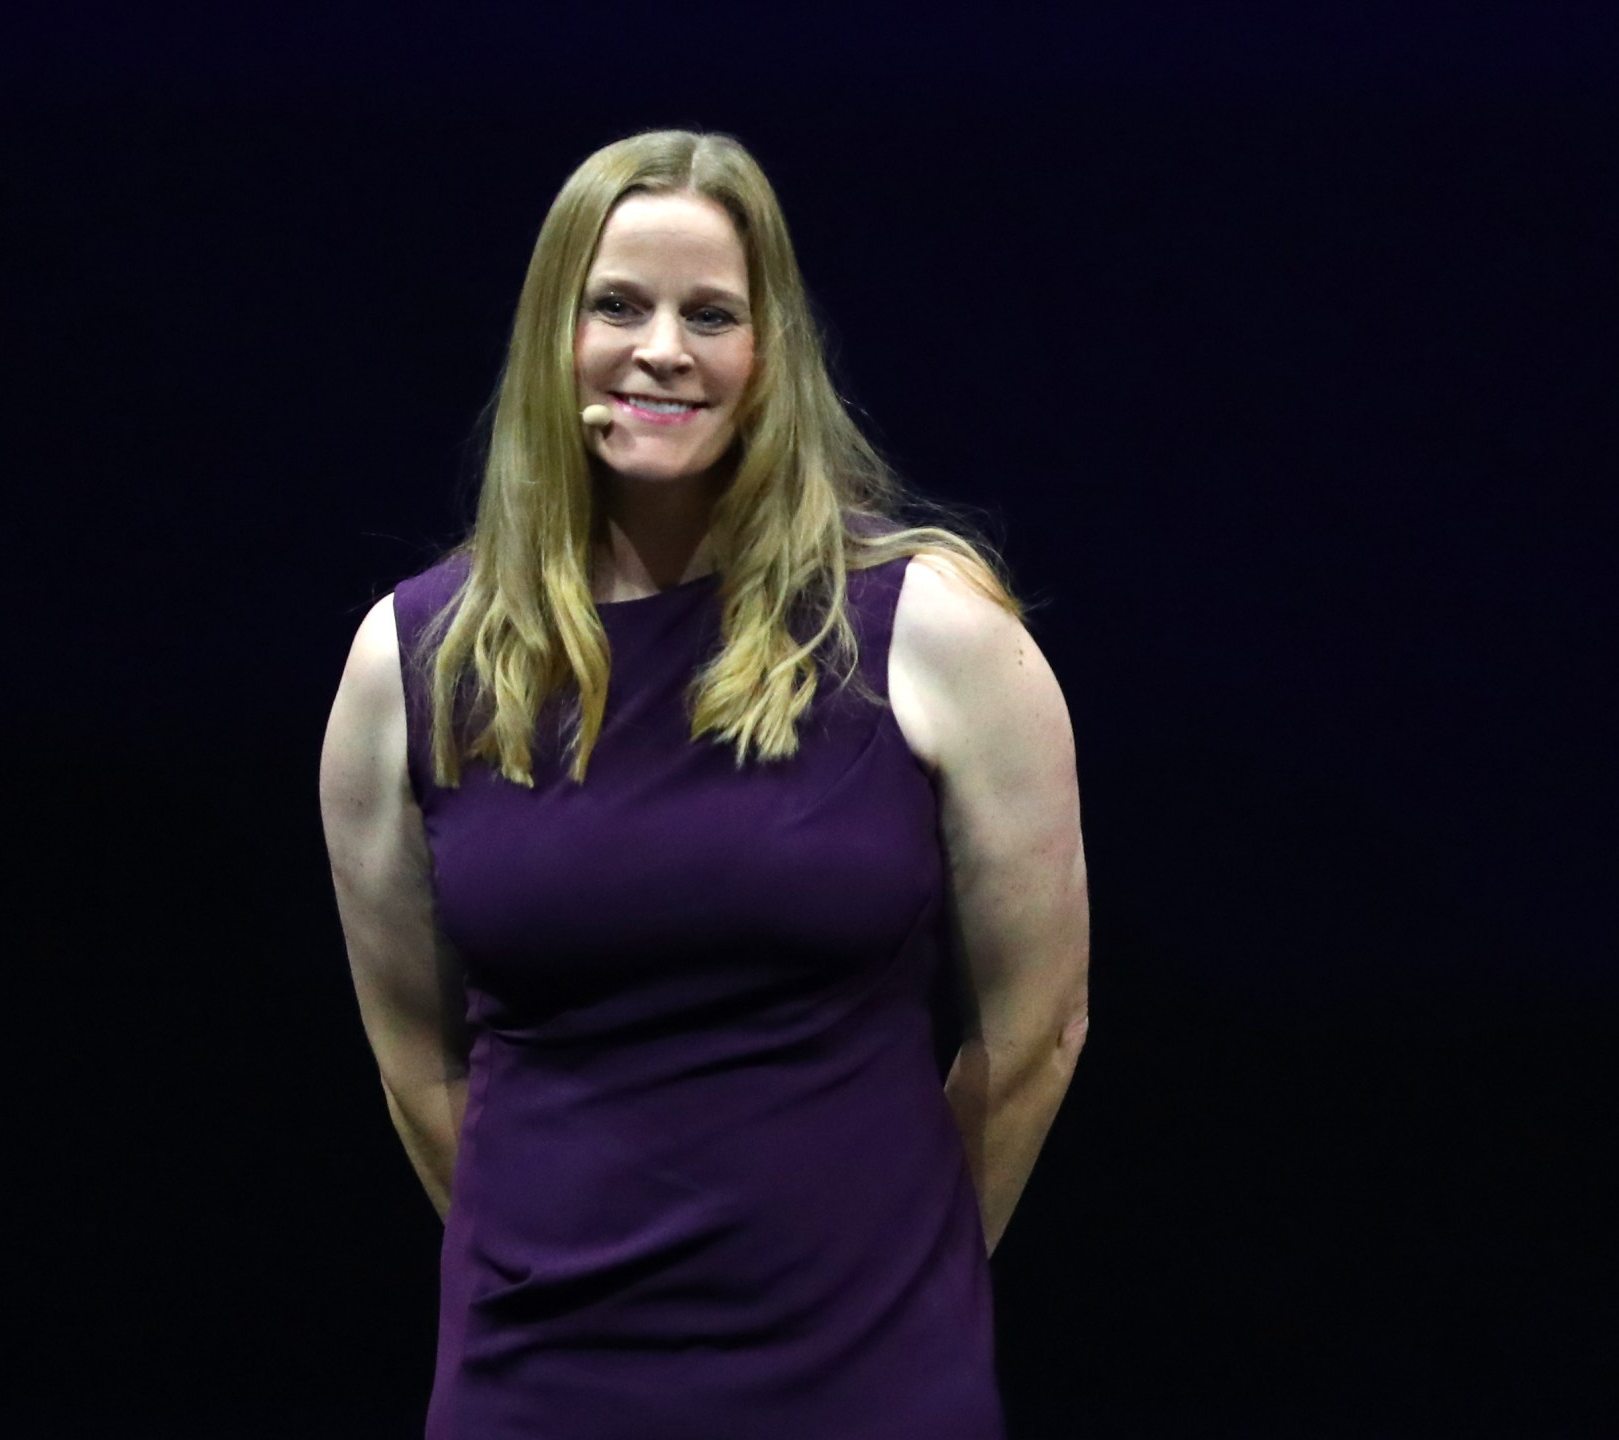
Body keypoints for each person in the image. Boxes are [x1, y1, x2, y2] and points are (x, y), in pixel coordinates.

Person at [318, 127, 1090, 1440]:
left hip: (870, 1373)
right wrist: (543, 1265)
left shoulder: (937, 629)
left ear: (769, 354)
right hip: (542, 1378)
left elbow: (1036, 1032)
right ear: (549, 340)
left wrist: (902, 1282)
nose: (661, 348)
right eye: (615, 305)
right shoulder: (412, 661)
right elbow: (415, 1066)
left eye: (710, 314)